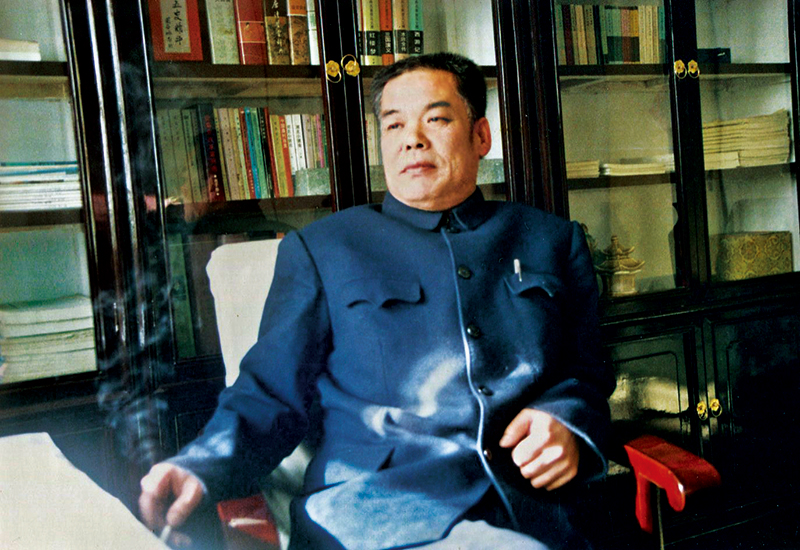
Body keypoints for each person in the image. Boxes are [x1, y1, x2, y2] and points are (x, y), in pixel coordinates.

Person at [140, 52, 615, 549]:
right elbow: (268, 393)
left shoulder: (551, 240)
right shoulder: (323, 250)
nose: (413, 139)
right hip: (374, 516)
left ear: (481, 136)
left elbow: (590, 374)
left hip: (529, 508)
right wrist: (200, 464)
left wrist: (567, 421)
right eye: (394, 125)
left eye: (436, 119)